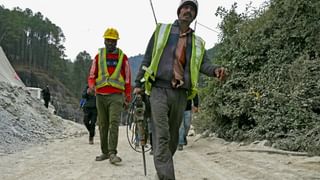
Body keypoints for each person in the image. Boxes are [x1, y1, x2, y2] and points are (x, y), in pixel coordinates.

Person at [133, 0, 226, 179]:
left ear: (194, 15)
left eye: (192, 9)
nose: (188, 10)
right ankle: (167, 176)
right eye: (185, 7)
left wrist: (216, 71)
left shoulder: (197, 42)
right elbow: (147, 58)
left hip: (181, 95)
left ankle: (162, 172)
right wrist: (138, 84)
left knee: (174, 139)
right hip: (159, 89)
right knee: (162, 135)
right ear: (179, 10)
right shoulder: (162, 31)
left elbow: (204, 64)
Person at [87, 27, 131, 164]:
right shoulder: (98, 57)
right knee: (102, 124)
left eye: (113, 41)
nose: (110, 43)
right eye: (108, 40)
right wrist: (91, 86)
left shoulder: (123, 58)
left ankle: (112, 153)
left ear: (116, 42)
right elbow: (92, 75)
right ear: (104, 41)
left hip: (116, 96)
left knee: (113, 123)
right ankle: (104, 152)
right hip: (100, 95)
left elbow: (128, 79)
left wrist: (127, 97)